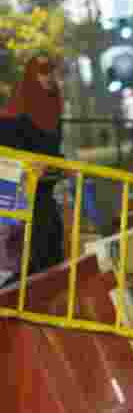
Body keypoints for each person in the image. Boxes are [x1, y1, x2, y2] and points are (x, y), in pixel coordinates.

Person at [0, 54, 66, 285]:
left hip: (44, 196)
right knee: (21, 259)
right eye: (44, 72)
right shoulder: (14, 115)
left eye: (53, 72)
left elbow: (53, 152)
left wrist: (57, 166)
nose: (50, 77)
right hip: (18, 196)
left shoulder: (53, 109)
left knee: (49, 253)